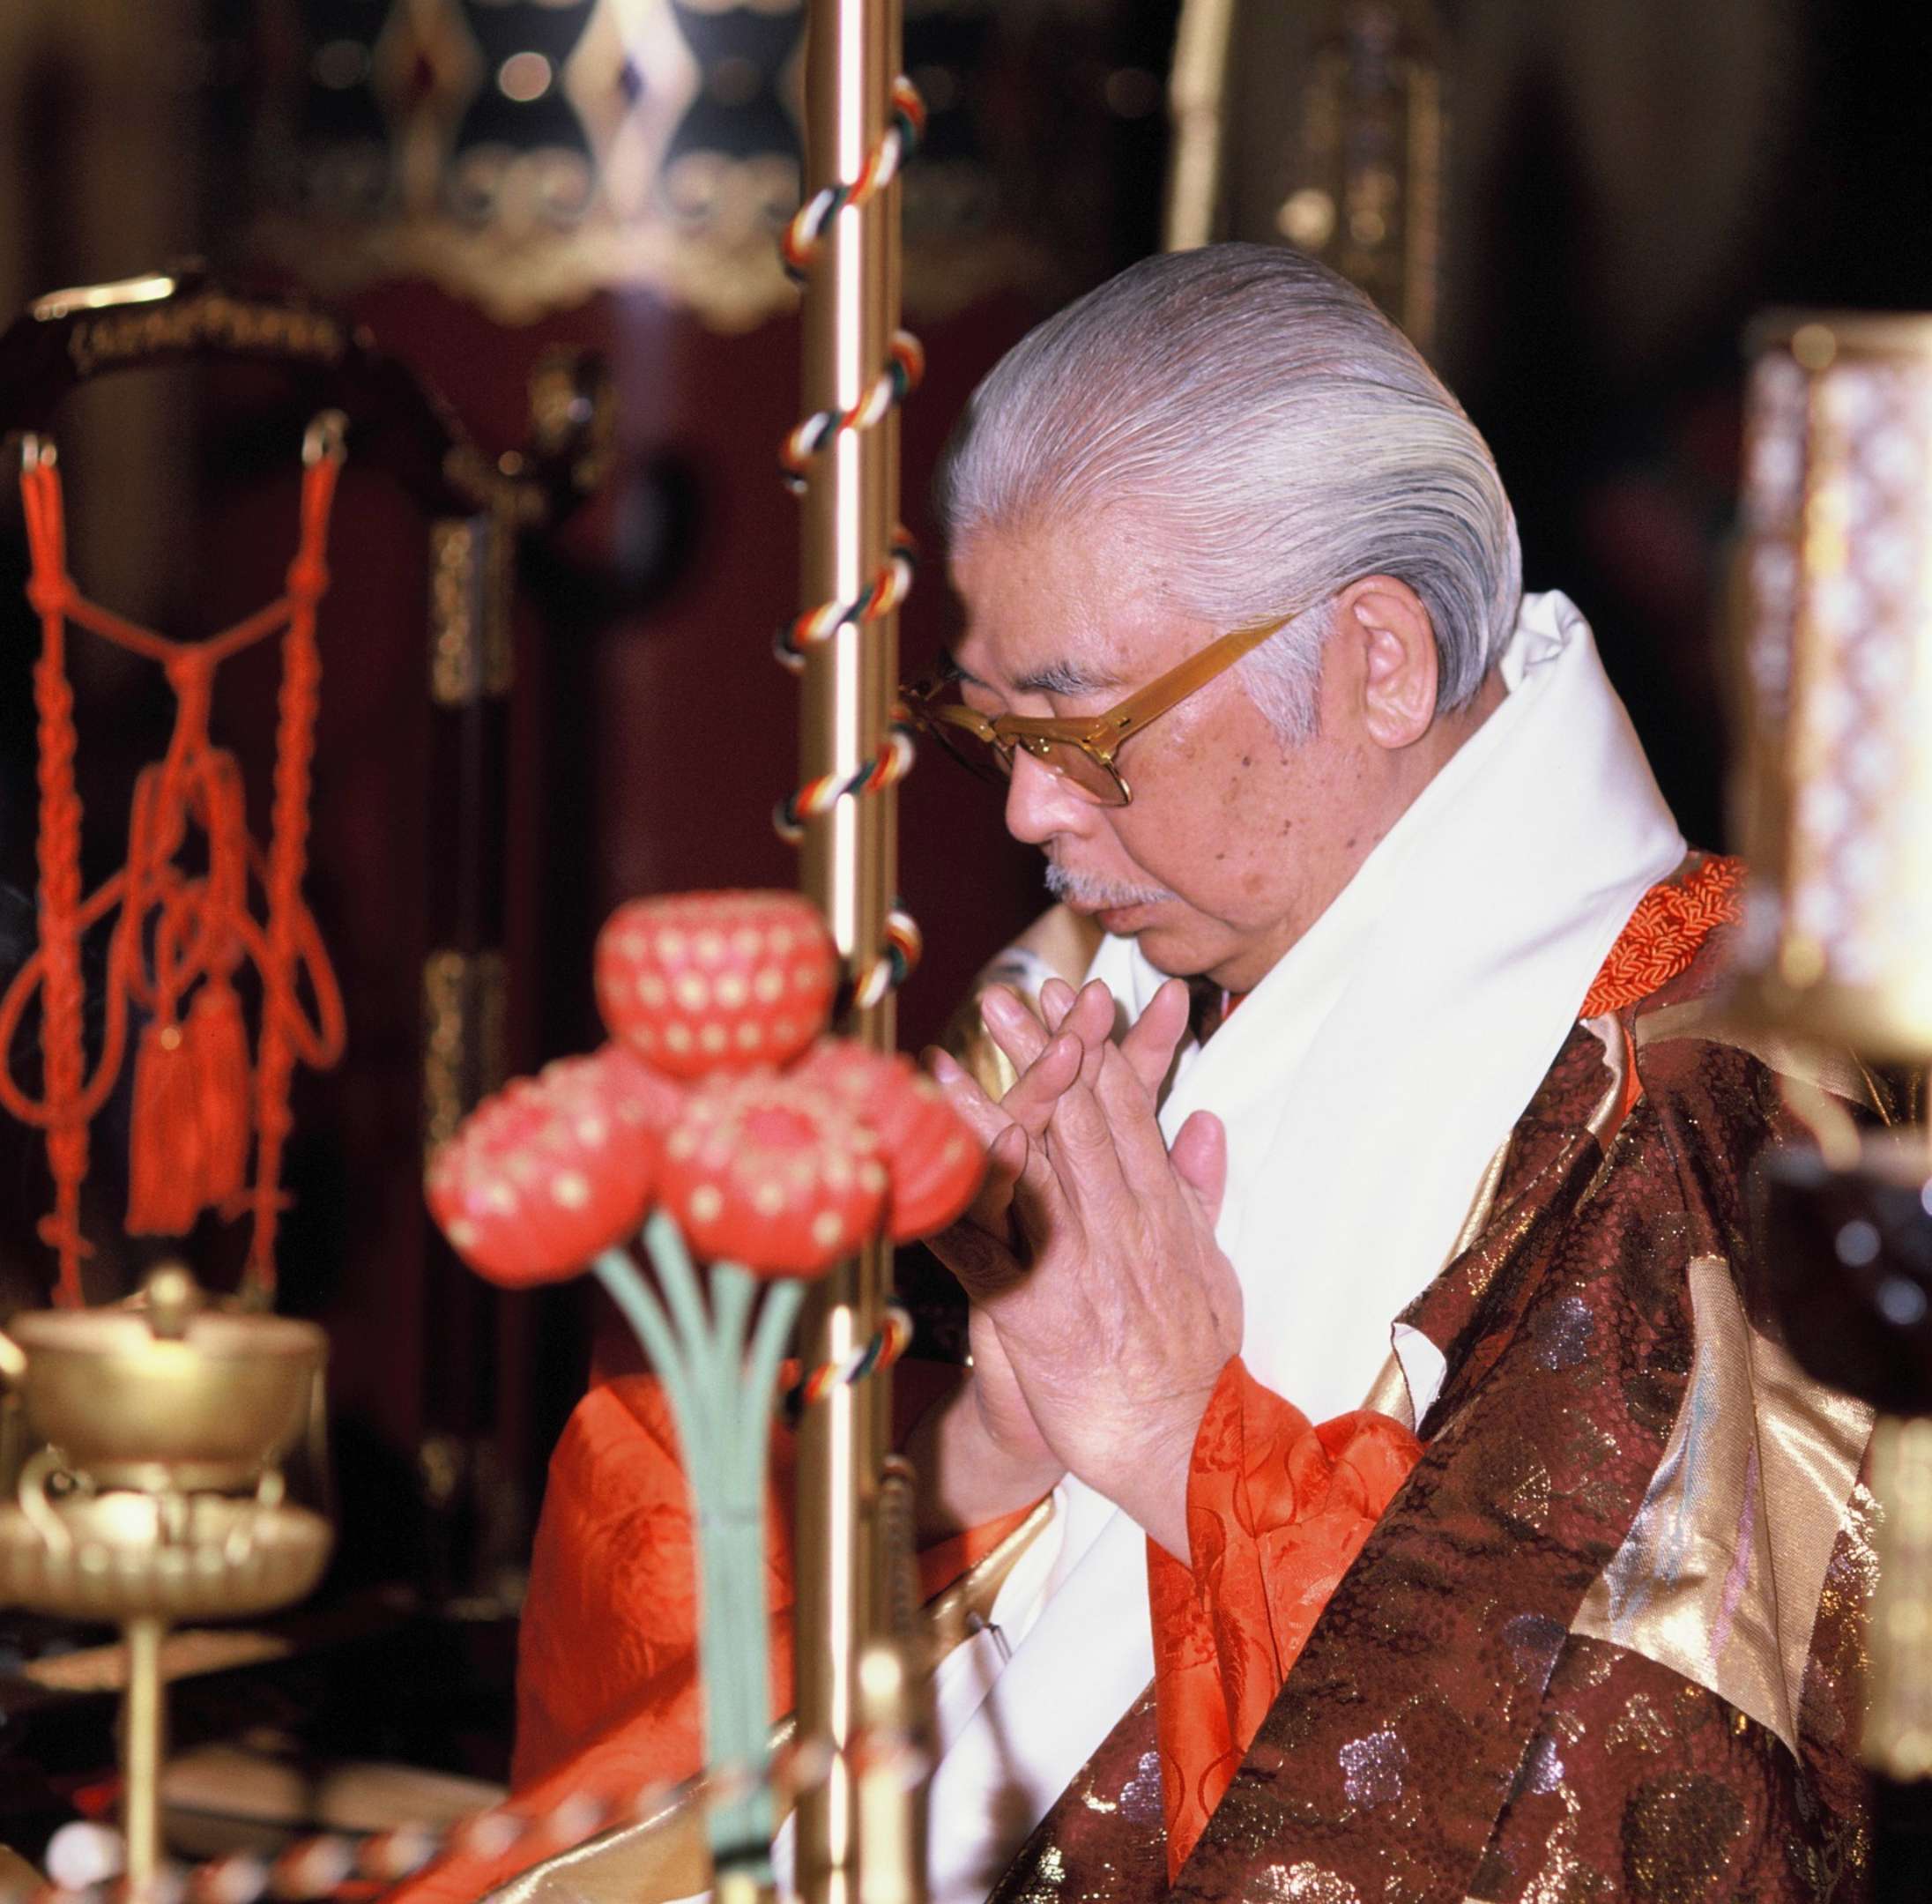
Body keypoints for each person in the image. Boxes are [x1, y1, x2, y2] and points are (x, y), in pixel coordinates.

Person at [403, 245, 1877, 1904]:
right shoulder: (1081, 1002)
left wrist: (1185, 1436)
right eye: (992, 736)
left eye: (1081, 731)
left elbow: (1623, 1817)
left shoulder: (1705, 1118)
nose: (1033, 815)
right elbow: (679, 1570)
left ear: (1378, 661)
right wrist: (986, 1461)